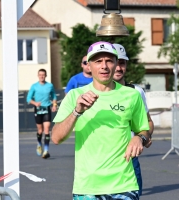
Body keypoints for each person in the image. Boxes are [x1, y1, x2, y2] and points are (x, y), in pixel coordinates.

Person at [52, 41, 151, 200]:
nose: (104, 66)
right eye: (98, 61)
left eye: (109, 61)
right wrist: (77, 111)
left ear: (115, 64)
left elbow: (144, 129)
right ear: (89, 66)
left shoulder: (132, 95)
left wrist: (140, 138)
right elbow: (56, 137)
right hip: (87, 187)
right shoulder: (74, 96)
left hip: (124, 185)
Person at [113, 43, 155, 196]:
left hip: (129, 159)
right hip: (102, 160)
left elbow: (148, 122)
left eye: (122, 63)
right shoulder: (93, 93)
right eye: (115, 62)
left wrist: (143, 136)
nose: (118, 68)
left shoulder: (136, 91)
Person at [27, 69, 57, 159]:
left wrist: (54, 105)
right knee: (40, 130)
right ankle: (39, 143)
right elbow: (28, 99)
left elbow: (54, 96)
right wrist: (35, 103)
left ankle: (46, 150)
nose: (41, 76)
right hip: (38, 109)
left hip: (47, 108)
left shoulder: (50, 86)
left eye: (43, 75)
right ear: (38, 75)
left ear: (46, 75)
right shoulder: (34, 86)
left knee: (47, 129)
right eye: (40, 75)